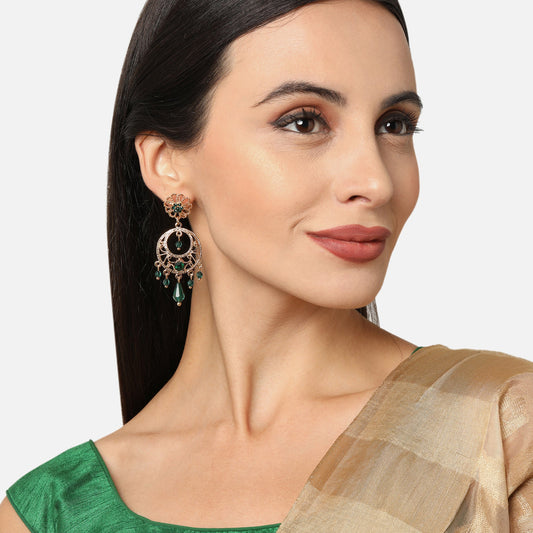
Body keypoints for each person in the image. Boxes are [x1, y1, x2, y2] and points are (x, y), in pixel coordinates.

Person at [1, 0, 532, 531]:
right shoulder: (53, 513)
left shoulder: (503, 428)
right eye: (304, 122)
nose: (375, 182)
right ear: (166, 162)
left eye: (394, 125)